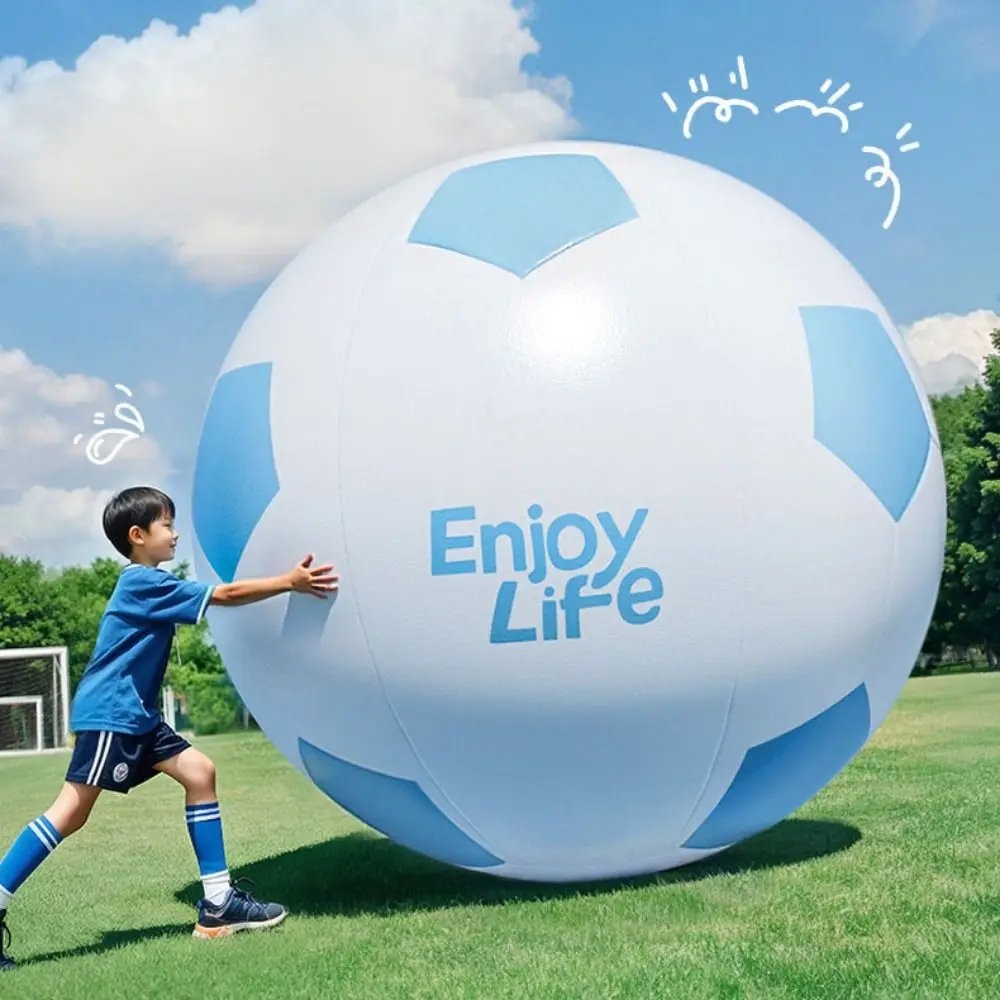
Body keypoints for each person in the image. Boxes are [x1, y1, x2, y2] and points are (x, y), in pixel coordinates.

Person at [0, 486, 338, 970]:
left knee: (200, 773)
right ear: (137, 536)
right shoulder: (141, 583)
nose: (175, 533)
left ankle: (218, 906)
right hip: (113, 714)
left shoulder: (149, 582)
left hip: (138, 717)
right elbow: (225, 595)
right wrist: (290, 582)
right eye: (167, 525)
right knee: (71, 812)